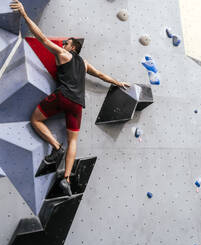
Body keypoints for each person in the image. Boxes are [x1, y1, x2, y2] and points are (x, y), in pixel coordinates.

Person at [10, 0, 130, 196]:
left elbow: (41, 38)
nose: (62, 43)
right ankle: (66, 179)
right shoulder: (84, 63)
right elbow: (100, 75)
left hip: (63, 96)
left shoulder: (64, 54)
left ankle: (56, 148)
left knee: (35, 120)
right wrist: (118, 83)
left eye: (66, 42)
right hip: (77, 104)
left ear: (73, 47)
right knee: (73, 140)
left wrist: (24, 14)